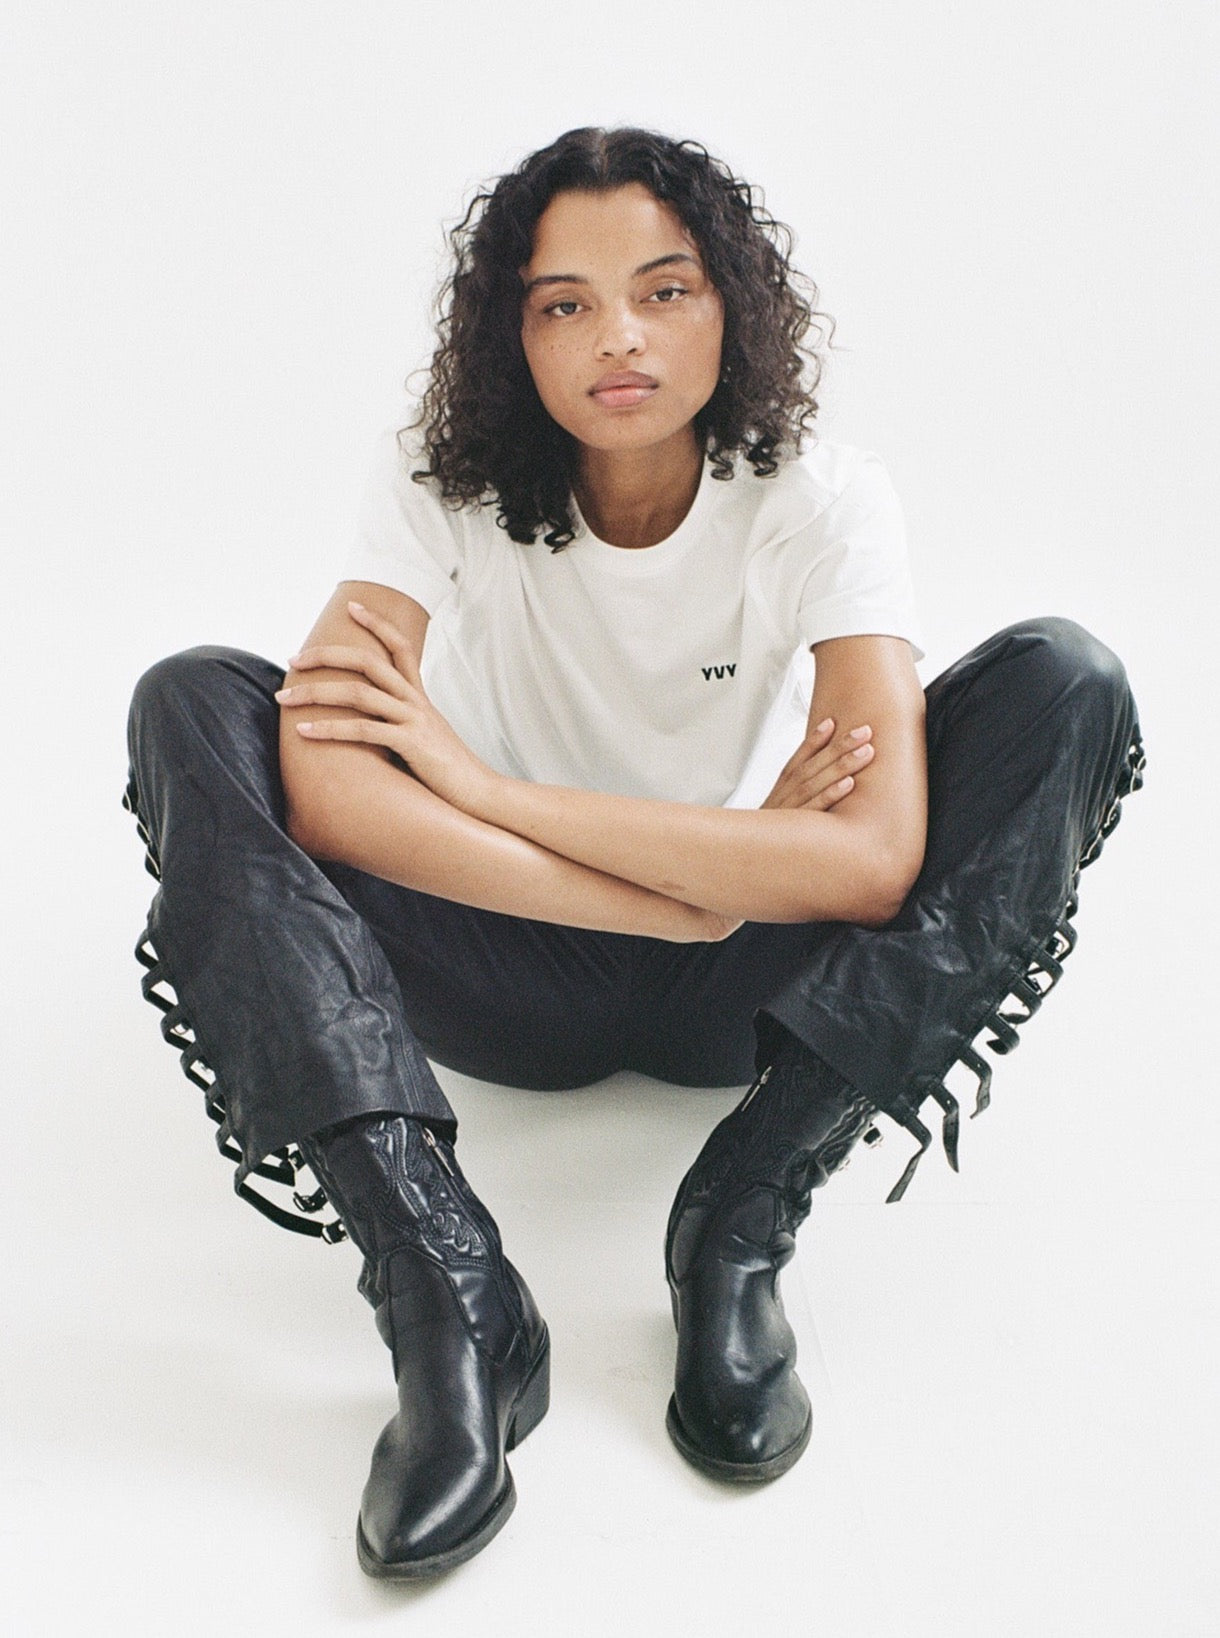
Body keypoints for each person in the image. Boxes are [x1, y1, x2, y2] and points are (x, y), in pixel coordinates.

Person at [123, 126, 1144, 1581]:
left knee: (1070, 682)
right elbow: (337, 792)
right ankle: (445, 1295)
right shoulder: (443, 479)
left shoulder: (824, 495)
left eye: (664, 290)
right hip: (510, 967)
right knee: (197, 701)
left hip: (748, 990)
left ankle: (737, 1221)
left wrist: (489, 790)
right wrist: (687, 888)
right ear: (511, 337)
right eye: (563, 304)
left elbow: (868, 863)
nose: (619, 337)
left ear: (732, 303)